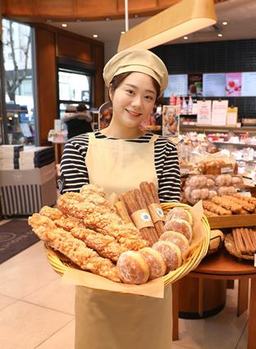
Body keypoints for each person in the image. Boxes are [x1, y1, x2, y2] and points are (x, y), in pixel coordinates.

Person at [59, 48, 181, 348]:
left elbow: (172, 216)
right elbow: (74, 219)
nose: (138, 103)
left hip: (151, 281)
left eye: (149, 96)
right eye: (130, 91)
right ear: (112, 89)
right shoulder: (78, 148)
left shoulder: (164, 150)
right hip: (97, 283)